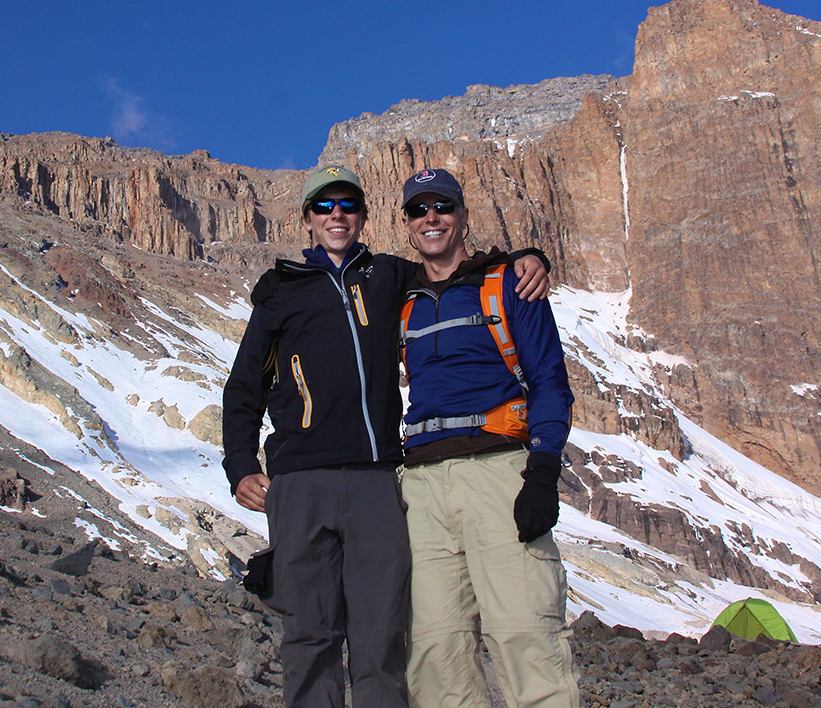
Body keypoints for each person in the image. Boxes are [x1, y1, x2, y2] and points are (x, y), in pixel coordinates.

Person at [222, 165, 549, 708]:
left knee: (383, 635)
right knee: (310, 633)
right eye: (324, 207)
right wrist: (240, 464)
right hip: (300, 482)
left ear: (364, 215)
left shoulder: (390, 276)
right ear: (306, 220)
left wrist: (527, 257)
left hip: (377, 481)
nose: (337, 216)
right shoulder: (281, 292)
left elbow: (456, 267)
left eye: (347, 204)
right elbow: (243, 389)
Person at [397, 167, 579, 708]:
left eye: (443, 207)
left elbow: (549, 379)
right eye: (418, 210)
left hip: (498, 471)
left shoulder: (509, 284)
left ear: (463, 217)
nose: (432, 218)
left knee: (526, 636)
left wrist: (543, 470)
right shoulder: (400, 301)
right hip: (422, 490)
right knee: (435, 655)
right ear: (406, 224)